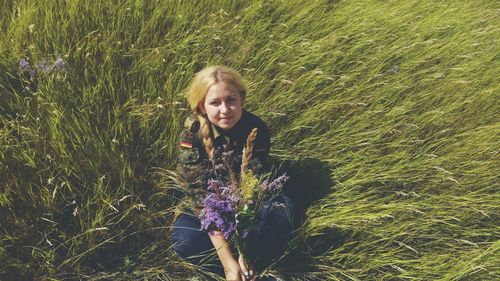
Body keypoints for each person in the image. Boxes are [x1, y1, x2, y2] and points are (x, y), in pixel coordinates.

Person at [171, 65, 296, 281]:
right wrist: (228, 262)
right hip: (207, 205)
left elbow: (249, 188)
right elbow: (198, 200)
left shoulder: (256, 129)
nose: (225, 110)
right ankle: (226, 270)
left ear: (242, 100)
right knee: (185, 239)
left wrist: (244, 252)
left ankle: (250, 266)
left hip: (245, 201)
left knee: (285, 214)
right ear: (202, 107)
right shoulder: (191, 136)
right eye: (214, 103)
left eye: (231, 100)